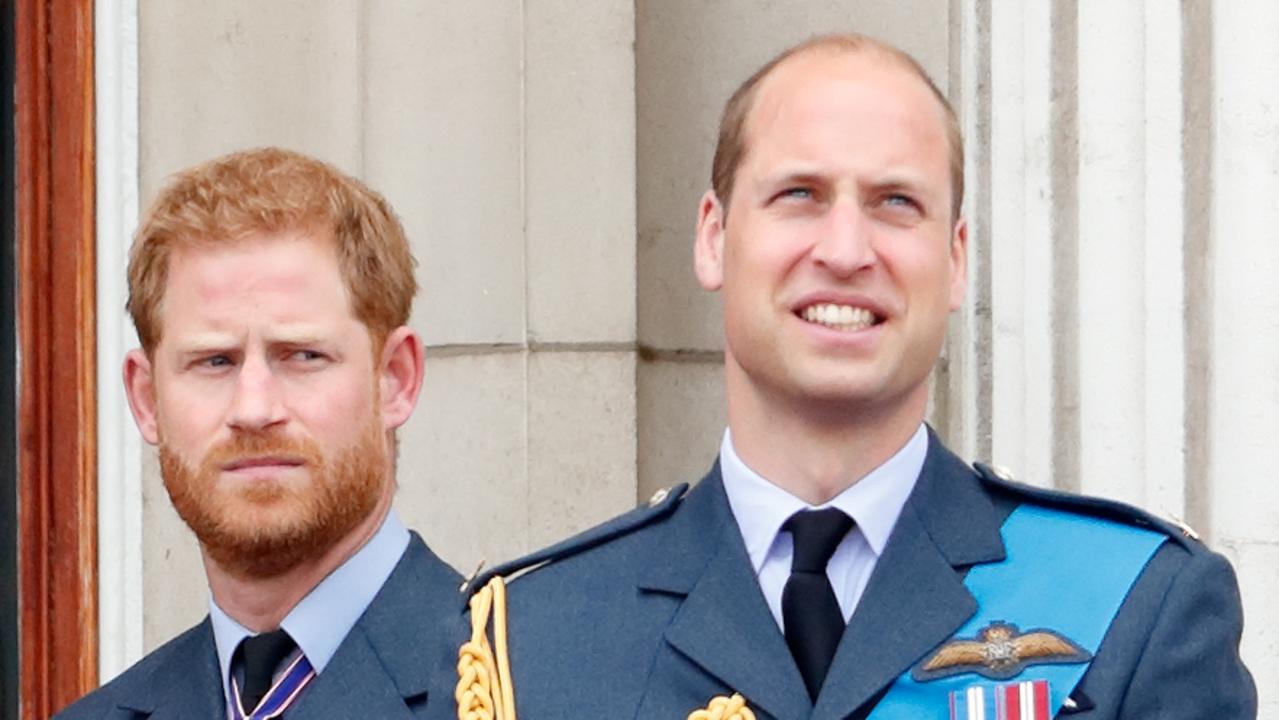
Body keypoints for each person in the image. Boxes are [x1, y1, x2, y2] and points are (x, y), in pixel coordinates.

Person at [457, 34, 1256, 719]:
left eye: (894, 202)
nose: (844, 249)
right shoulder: (534, 637)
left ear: (954, 260)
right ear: (713, 237)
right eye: (799, 194)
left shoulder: (1133, 604)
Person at [59, 148, 463, 719]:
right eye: (214, 362)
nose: (253, 408)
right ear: (147, 399)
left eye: (302, 355)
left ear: (395, 379)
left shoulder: (534, 693)